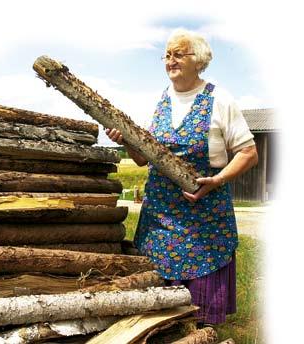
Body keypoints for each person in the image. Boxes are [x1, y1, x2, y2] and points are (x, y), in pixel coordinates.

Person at [106, 28, 258, 326]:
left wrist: (217, 180)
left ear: (198, 60)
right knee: (156, 316)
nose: (170, 60)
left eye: (178, 54)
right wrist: (125, 140)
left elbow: (249, 152)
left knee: (199, 318)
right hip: (160, 220)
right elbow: (143, 157)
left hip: (204, 222)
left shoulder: (219, 100)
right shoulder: (160, 101)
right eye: (167, 55)